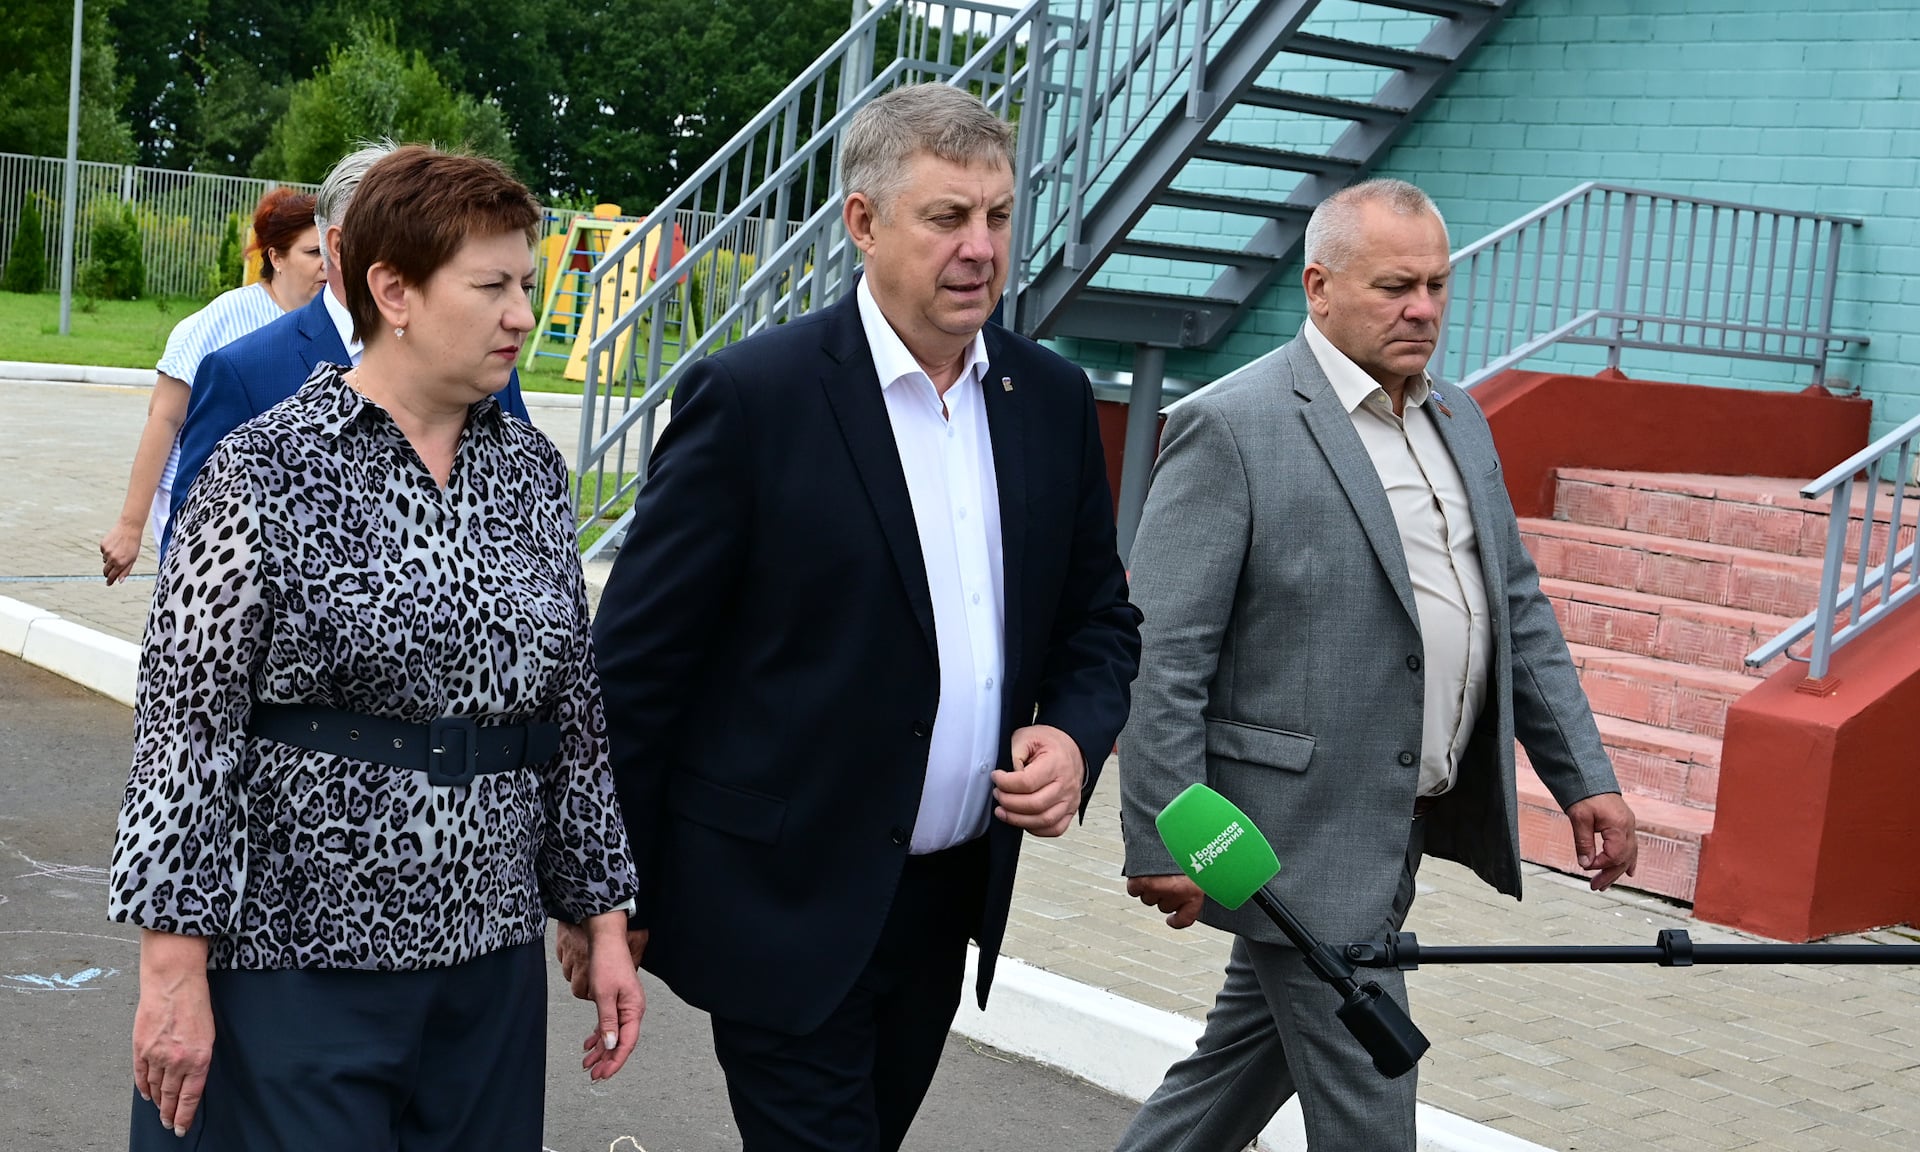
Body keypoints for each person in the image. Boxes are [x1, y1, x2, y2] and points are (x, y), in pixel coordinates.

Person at [574, 83, 1142, 1152]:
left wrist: (1073, 733)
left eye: (999, 215)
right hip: (781, 901)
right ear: (864, 222)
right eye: (948, 217)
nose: (981, 248)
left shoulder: (1050, 400)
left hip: (944, 903)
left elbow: (1098, 621)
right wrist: (609, 894)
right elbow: (635, 672)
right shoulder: (754, 399)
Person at [108, 145, 644, 1151]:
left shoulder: (530, 474)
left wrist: (600, 913)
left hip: (486, 967)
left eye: (525, 286)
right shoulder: (267, 468)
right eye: (490, 287)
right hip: (298, 964)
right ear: (393, 291)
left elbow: (573, 715)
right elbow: (186, 732)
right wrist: (172, 969)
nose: (521, 315)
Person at [1114, 178, 1641, 1152]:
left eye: (1436, 285)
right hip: (1285, 840)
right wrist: (1160, 834)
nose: (1423, 309)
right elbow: (1164, 654)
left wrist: (1584, 777)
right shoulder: (1233, 425)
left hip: (1399, 822)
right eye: (1396, 286)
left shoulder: (1460, 421)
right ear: (1319, 287)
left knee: (1239, 1068)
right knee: (1371, 1097)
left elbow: (1515, 610)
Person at [165, 142, 533, 543]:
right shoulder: (245, 373)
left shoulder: (481, 367)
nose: (522, 318)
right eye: (397, 231)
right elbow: (197, 545)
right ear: (340, 246)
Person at [99, 187, 324, 583]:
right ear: (276, 257)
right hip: (207, 511)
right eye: (313, 252)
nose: (328, 264)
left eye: (333, 251)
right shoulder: (222, 320)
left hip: (289, 513)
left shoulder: (334, 324)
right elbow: (164, 418)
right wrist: (130, 527)